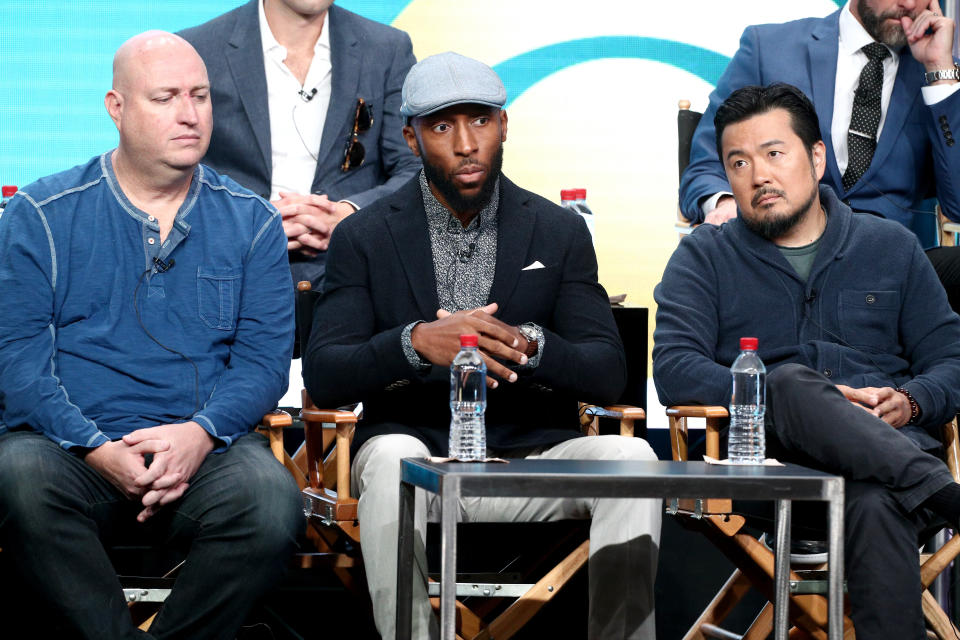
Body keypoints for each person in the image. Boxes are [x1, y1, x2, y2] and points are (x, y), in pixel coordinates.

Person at [303, 52, 661, 640]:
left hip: (535, 457)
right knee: (391, 461)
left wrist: (527, 345)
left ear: (504, 124)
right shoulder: (363, 235)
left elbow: (607, 370)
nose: (467, 143)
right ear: (411, 140)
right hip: (415, 455)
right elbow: (326, 372)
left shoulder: (559, 230)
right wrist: (415, 344)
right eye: (442, 126)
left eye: (481, 121)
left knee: (635, 461)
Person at [0, 32, 301, 639]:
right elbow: (18, 364)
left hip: (205, 453)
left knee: (270, 502)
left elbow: (263, 366)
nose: (190, 115)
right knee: (16, 478)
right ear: (117, 108)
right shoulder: (40, 213)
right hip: (71, 453)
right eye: (165, 97)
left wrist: (200, 434)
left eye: (200, 96)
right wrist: (93, 447)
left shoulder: (253, 222)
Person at [654, 82, 960, 639]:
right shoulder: (703, 256)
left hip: (883, 465)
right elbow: (673, 367)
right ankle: (942, 493)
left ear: (816, 158)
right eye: (738, 162)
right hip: (769, 468)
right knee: (786, 383)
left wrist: (911, 401)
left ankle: (918, 481)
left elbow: (950, 360)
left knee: (869, 501)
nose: (758, 175)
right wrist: (769, 394)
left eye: (774, 153)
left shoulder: (889, 246)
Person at [678, 0, 960, 305]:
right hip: (779, 253)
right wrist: (728, 203)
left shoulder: (938, 70)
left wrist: (939, 72)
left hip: (889, 270)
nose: (908, 3)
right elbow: (707, 162)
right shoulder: (768, 48)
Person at [180, 0, 421, 289]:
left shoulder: (387, 48)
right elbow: (170, 174)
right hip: (228, 273)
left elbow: (415, 167)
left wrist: (350, 214)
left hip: (353, 274)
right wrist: (251, 223)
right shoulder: (196, 48)